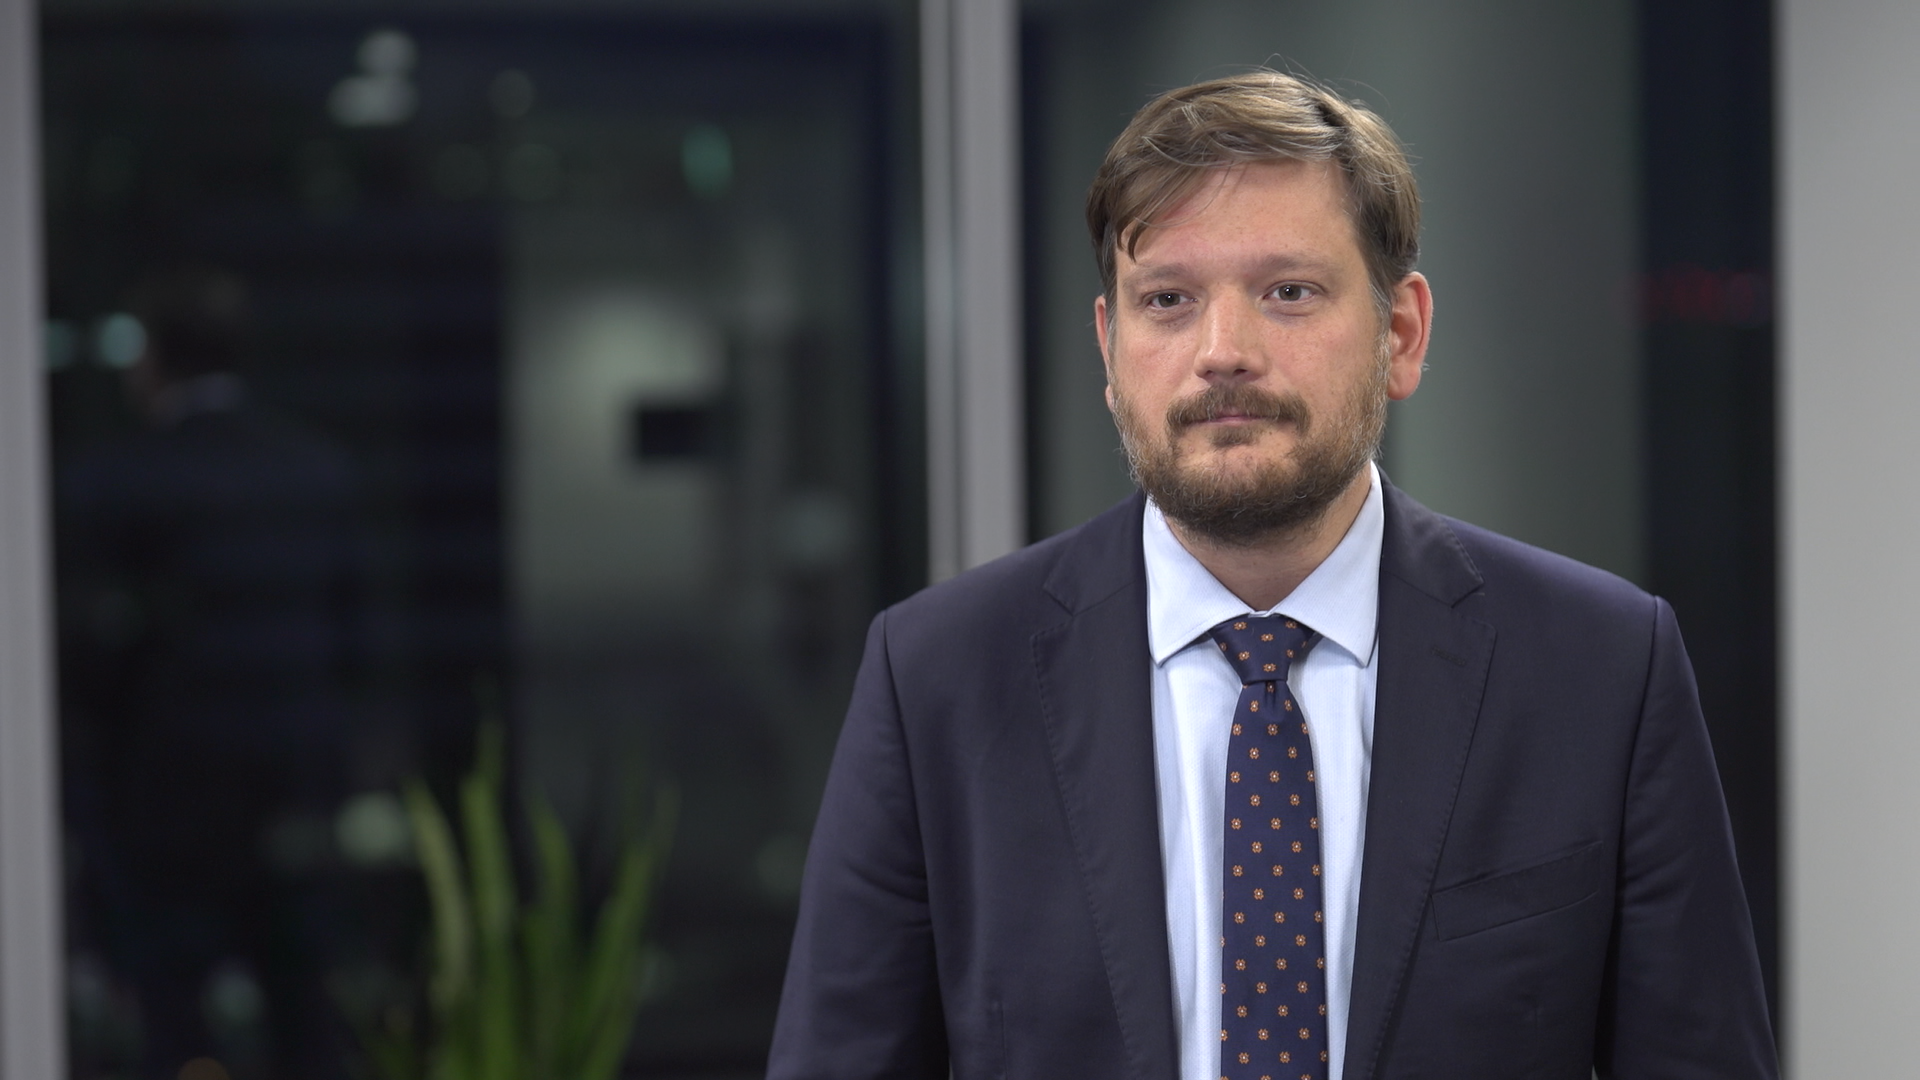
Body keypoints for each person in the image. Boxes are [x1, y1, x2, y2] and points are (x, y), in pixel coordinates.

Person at [767, 72, 1776, 1080]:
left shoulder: (1601, 668)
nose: (1223, 352)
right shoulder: (937, 679)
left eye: (1288, 292)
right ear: (1110, 349)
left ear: (1401, 334)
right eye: (1168, 300)